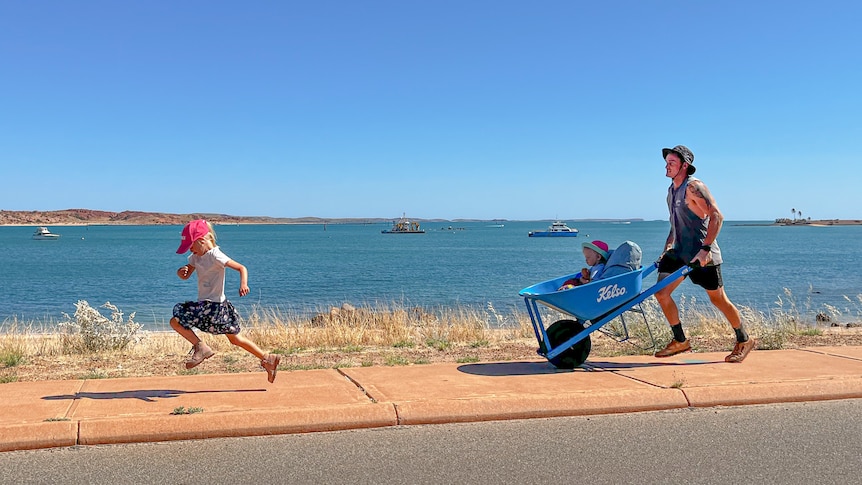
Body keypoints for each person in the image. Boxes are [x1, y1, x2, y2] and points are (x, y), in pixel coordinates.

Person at [654, 145, 755, 363]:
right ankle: (680, 341)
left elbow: (717, 216)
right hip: (680, 253)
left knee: (718, 299)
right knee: (661, 293)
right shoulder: (671, 191)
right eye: (667, 162)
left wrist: (705, 249)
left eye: (671, 162)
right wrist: (667, 247)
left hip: (702, 255)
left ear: (684, 165)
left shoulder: (694, 187)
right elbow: (675, 223)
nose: (666, 166)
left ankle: (744, 339)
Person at [170, 219, 281, 382]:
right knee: (235, 339)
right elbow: (186, 275)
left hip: (214, 307)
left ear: (201, 241)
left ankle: (200, 347)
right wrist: (181, 272)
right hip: (211, 307)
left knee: (176, 321)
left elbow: (241, 268)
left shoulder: (216, 255)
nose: (190, 250)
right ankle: (267, 359)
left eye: (191, 246)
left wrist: (244, 284)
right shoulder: (195, 257)